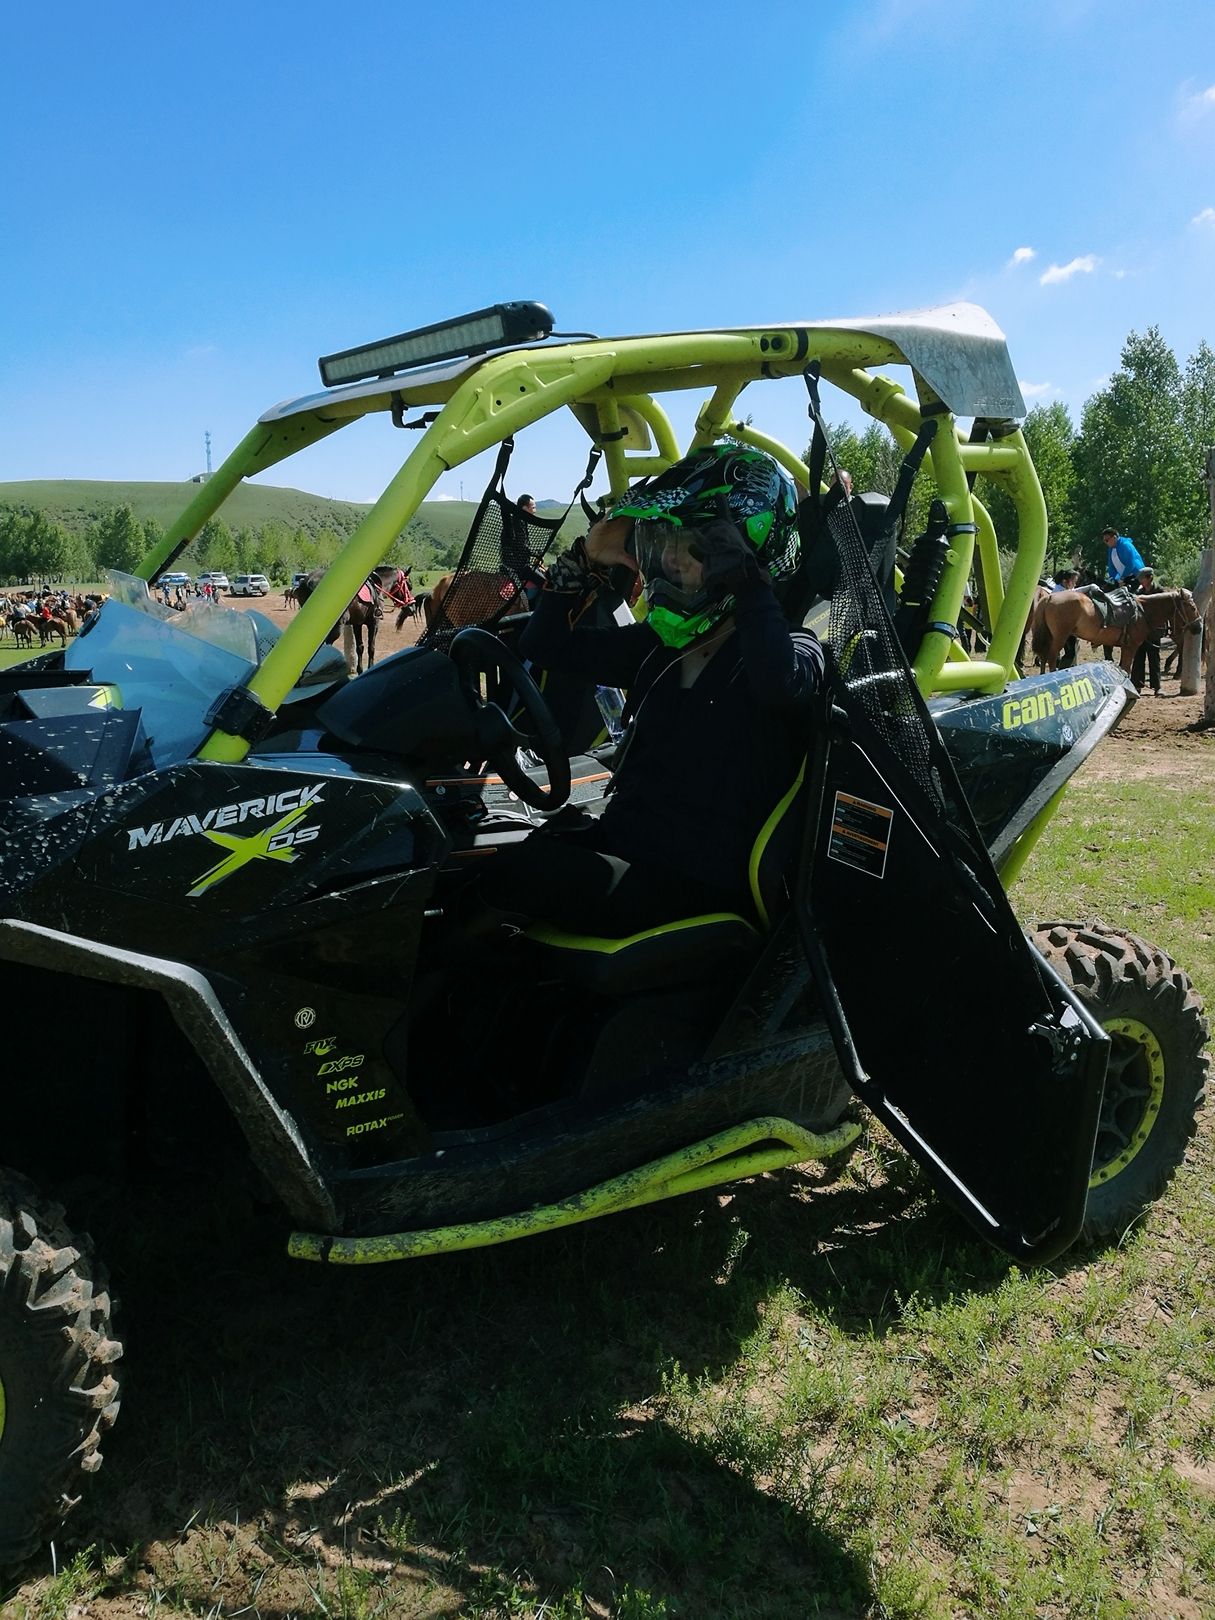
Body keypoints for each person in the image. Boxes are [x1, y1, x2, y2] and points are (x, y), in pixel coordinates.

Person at [470, 444, 825, 938]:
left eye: (691, 547)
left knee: (500, 878)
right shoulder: (659, 648)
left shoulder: (793, 647)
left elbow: (781, 682)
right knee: (469, 860)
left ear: (739, 552)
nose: (670, 563)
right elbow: (547, 645)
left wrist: (749, 583)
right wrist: (582, 559)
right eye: (664, 545)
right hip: (625, 849)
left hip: (694, 883)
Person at [1130, 565, 1162, 695]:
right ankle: (1137, 685)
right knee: (1138, 657)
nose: (1140, 581)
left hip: (1153, 630)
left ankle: (1157, 687)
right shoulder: (1139, 592)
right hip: (1141, 630)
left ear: (1150, 578)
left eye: (1142, 578)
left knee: (1154, 658)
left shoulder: (1160, 591)